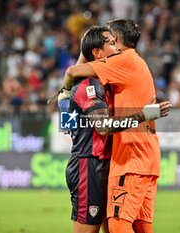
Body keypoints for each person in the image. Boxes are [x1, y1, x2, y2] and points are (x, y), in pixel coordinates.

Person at [59, 25, 171, 233]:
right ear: (98, 53)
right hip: (89, 165)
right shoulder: (88, 85)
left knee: (116, 227)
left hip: (109, 163)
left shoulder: (109, 80)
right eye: (111, 43)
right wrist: (143, 115)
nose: (117, 48)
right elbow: (102, 127)